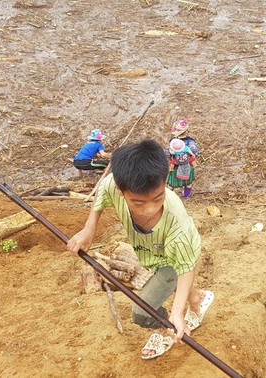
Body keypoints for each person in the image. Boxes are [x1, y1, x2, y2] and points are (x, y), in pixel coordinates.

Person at [66, 140, 213, 360]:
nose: (150, 209)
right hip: (153, 251)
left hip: (173, 259)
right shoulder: (113, 186)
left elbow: (185, 268)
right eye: (138, 202)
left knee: (142, 313)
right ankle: (197, 298)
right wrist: (89, 229)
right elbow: (104, 189)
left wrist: (175, 313)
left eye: (157, 198)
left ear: (165, 182)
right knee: (172, 285)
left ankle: (164, 329)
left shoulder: (176, 224)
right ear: (121, 190)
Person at [168, 119, 199, 199]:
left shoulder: (173, 142)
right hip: (187, 165)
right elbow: (195, 154)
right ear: (186, 131)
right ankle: (186, 195)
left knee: (171, 184)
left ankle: (169, 197)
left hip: (175, 166)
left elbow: (169, 154)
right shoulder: (191, 143)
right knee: (188, 183)